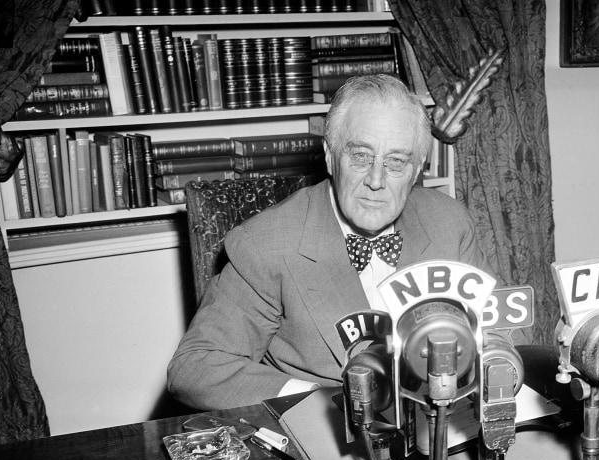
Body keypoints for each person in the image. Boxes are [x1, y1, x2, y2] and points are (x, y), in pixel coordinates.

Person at [167, 74, 493, 410]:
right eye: (361, 156)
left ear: (416, 170)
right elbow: (195, 367)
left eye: (396, 161)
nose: (376, 181)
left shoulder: (450, 223)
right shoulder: (265, 244)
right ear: (329, 155)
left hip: (440, 426)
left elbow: (496, 330)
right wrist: (321, 405)